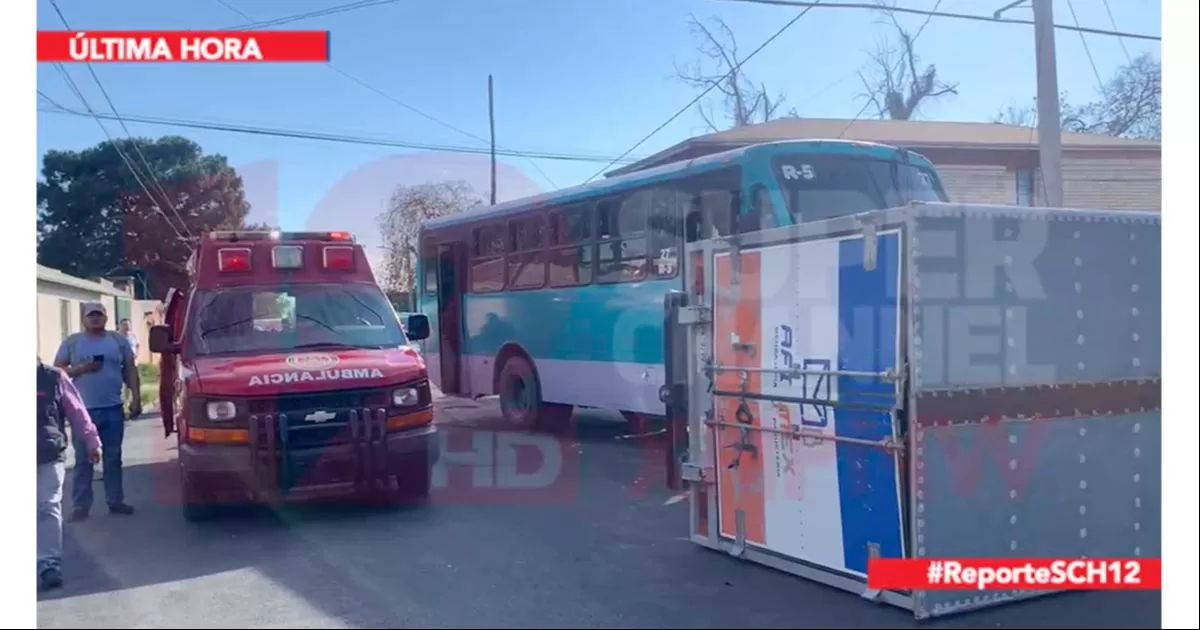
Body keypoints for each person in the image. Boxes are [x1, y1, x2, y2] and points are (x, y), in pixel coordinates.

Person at [54, 302, 141, 520]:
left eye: (99, 315)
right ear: (84, 319)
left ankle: (116, 501)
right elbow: (57, 372)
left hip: (112, 408)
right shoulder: (73, 343)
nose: (95, 319)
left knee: (113, 457)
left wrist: (136, 398)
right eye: (91, 315)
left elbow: (130, 369)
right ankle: (81, 505)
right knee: (83, 460)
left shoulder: (117, 341)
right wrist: (81, 369)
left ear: (106, 318)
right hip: (82, 412)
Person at [37, 358, 102, 591]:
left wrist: (92, 441)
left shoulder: (54, 377)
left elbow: (78, 412)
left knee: (48, 506)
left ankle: (48, 565)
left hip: (48, 453)